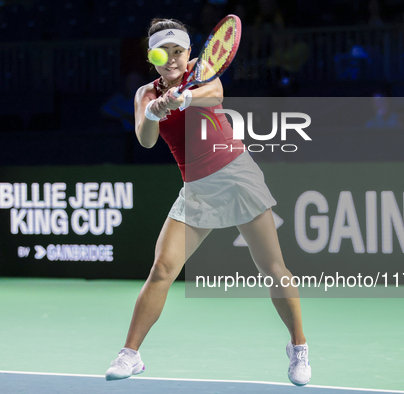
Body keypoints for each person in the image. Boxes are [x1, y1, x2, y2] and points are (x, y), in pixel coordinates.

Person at [105, 18, 311, 386]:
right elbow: (146, 140)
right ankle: (130, 355)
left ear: (189, 54)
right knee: (162, 269)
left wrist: (184, 97)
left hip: (237, 176)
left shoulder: (203, 77)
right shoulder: (145, 95)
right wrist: (154, 113)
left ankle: (298, 347)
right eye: (161, 52)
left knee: (273, 268)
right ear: (150, 57)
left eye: (178, 51)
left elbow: (214, 95)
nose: (171, 59)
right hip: (196, 188)